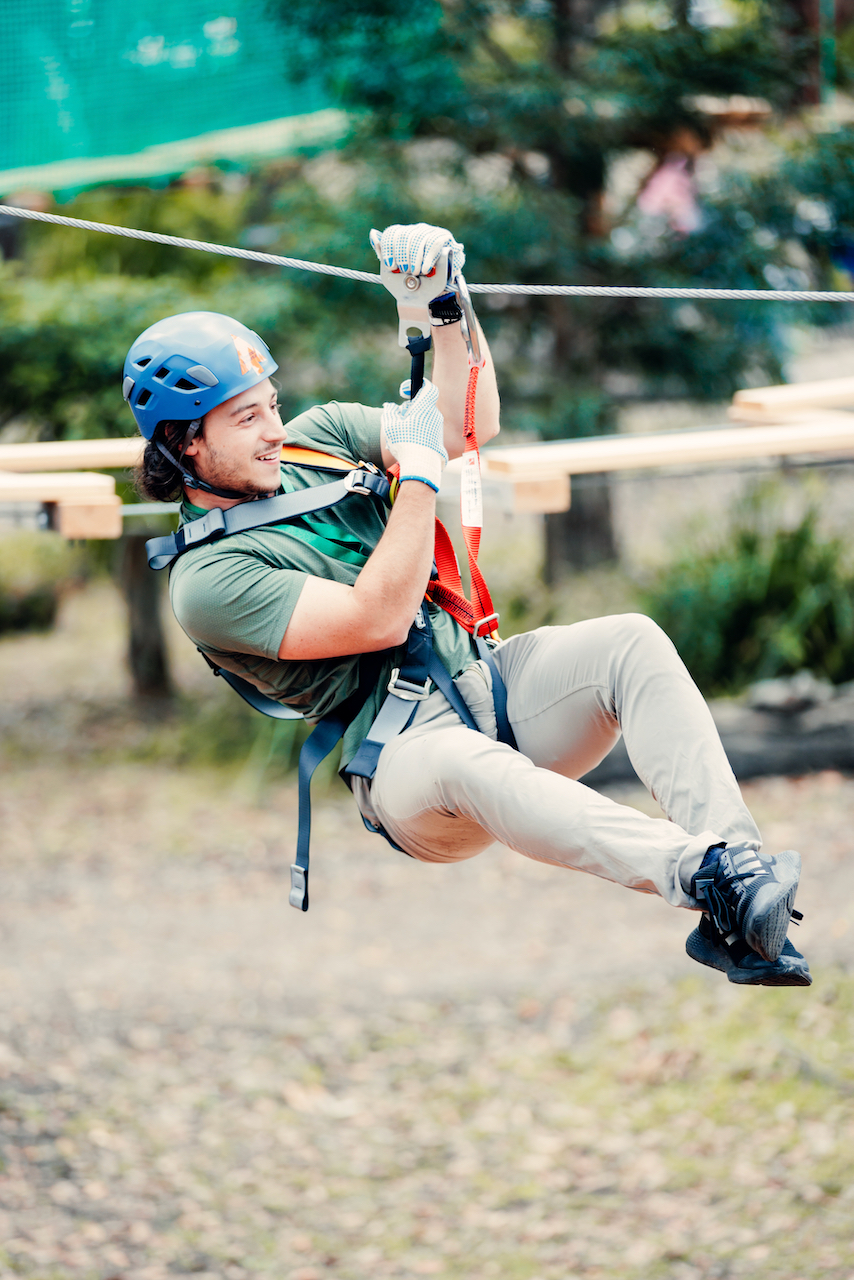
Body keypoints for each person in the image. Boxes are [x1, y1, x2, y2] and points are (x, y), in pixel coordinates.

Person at [125, 221, 810, 988]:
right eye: (246, 418)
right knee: (462, 759)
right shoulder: (208, 581)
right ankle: (702, 875)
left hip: (486, 684)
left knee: (631, 641)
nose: (274, 430)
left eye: (271, 405)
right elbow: (377, 617)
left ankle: (744, 891)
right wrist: (416, 475)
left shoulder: (317, 440)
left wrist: (443, 310)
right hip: (408, 769)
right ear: (185, 443)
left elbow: (459, 425)